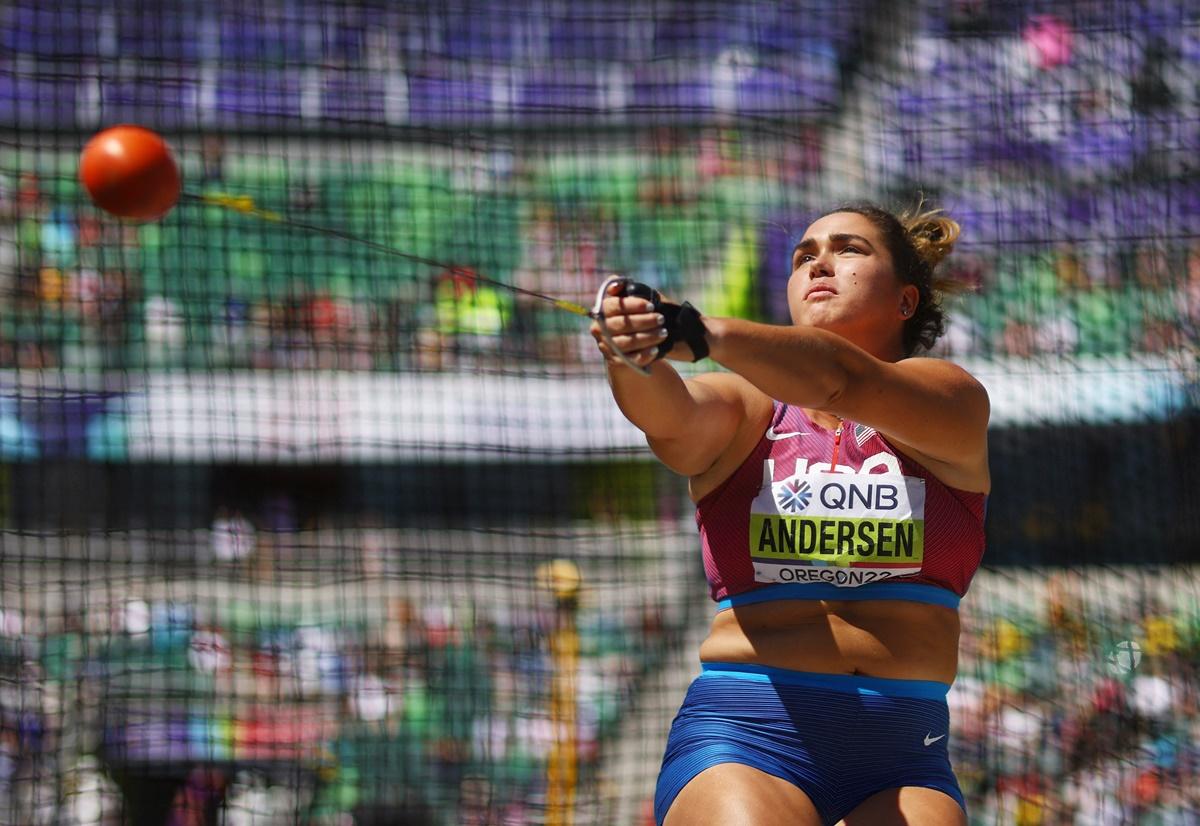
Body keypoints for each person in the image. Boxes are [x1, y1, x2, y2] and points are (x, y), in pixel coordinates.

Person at [591, 204, 990, 826]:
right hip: (747, 734)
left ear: (906, 301)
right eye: (804, 255)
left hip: (905, 751)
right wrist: (633, 354)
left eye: (848, 249)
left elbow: (839, 379)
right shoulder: (748, 408)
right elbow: (668, 417)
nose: (819, 262)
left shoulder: (951, 398)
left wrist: (701, 332)